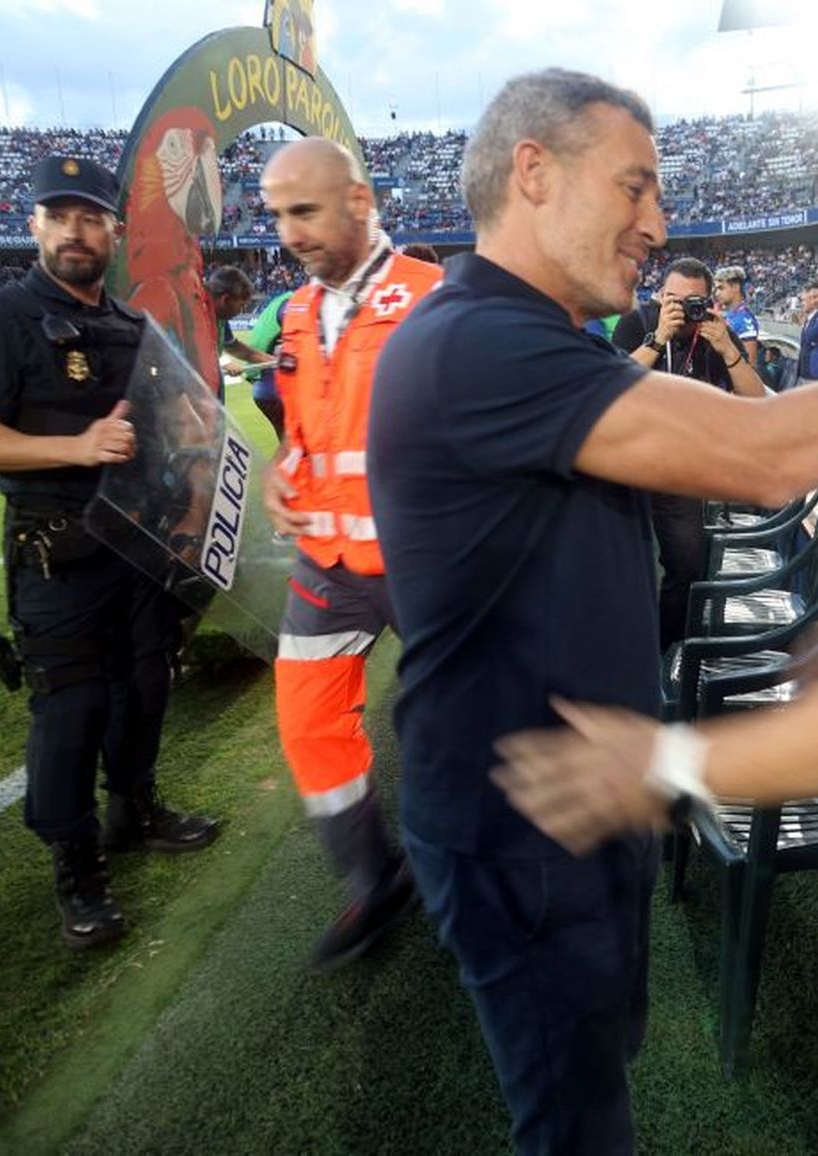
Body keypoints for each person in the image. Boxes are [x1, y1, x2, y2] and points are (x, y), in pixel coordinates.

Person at [368, 69, 818, 1155]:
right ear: (533, 174)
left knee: (592, 1073)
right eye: (636, 186)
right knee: (573, 1122)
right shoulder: (477, 342)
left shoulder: (525, 334)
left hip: (579, 792)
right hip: (527, 813)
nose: (659, 222)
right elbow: (764, 453)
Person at [0, 156, 218, 951]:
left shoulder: (129, 327)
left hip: (139, 549)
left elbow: (165, 428)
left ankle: (136, 809)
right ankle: (76, 867)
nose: (75, 232)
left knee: (145, 686)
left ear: (113, 231)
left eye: (90, 217)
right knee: (71, 710)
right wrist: (79, 445)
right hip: (57, 555)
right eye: (59, 217)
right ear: (34, 226)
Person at [258, 138, 444, 969]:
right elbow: (304, 435)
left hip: (425, 567)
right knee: (307, 725)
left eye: (304, 211)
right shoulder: (297, 313)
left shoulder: (435, 300)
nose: (288, 232)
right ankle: (376, 881)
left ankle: (486, 886)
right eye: (276, 216)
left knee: (459, 734)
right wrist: (281, 474)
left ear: (360, 201)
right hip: (326, 567)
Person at [611, 256, 767, 651]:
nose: (681, 309)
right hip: (623, 463)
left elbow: (756, 399)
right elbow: (609, 388)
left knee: (687, 565)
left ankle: (671, 652)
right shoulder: (639, 322)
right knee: (620, 566)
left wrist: (727, 350)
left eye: (692, 301)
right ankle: (623, 649)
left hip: (679, 468)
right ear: (660, 294)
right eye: (673, 298)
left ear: (708, 301)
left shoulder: (717, 331)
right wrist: (657, 338)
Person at [204, 266, 272, 402]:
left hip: (212, 387)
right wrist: (223, 362)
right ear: (225, 299)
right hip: (193, 394)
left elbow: (236, 348)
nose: (240, 313)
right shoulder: (196, 313)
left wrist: (274, 361)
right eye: (240, 307)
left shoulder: (220, 318)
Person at [243, 287, 292, 441]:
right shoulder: (292, 305)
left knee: (287, 443)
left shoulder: (276, 304)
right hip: (278, 387)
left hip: (262, 388)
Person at [713, 264, 760, 368]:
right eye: (716, 289)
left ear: (735, 287)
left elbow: (749, 364)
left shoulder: (745, 320)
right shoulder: (728, 315)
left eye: (721, 288)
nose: (716, 293)